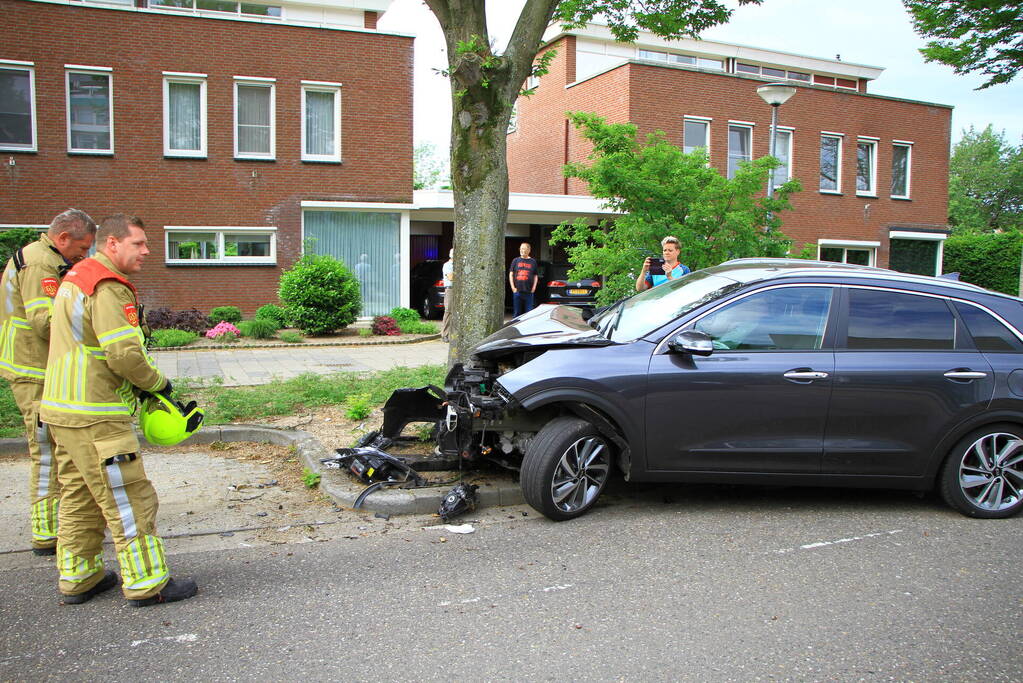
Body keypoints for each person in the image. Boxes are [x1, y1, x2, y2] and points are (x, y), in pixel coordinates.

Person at [41, 214, 197, 607]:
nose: (147, 251)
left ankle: (80, 577)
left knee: (79, 497)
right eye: (139, 243)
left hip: (62, 410)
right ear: (112, 244)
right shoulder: (108, 286)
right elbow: (123, 354)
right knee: (129, 497)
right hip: (97, 413)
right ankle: (148, 584)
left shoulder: (75, 277)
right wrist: (158, 385)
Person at [0, 209, 97, 556]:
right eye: (81, 248)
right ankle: (46, 532)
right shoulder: (41, 264)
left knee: (55, 450)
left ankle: (59, 523)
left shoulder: (45, 257)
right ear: (63, 238)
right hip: (33, 370)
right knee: (45, 452)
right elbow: (44, 322)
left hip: (40, 368)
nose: (84, 255)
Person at [508, 242, 538, 316]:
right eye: (521, 248)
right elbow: (511, 274)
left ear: (529, 250)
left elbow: (535, 275)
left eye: (524, 248)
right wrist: (513, 287)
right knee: (516, 313)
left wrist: (534, 288)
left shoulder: (533, 261)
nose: (522, 250)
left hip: (529, 292)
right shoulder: (515, 261)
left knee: (529, 313)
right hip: (517, 291)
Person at [440, 248, 453, 342]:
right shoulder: (447, 265)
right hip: (450, 290)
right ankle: (445, 334)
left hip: (458, 290)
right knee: (448, 311)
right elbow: (451, 277)